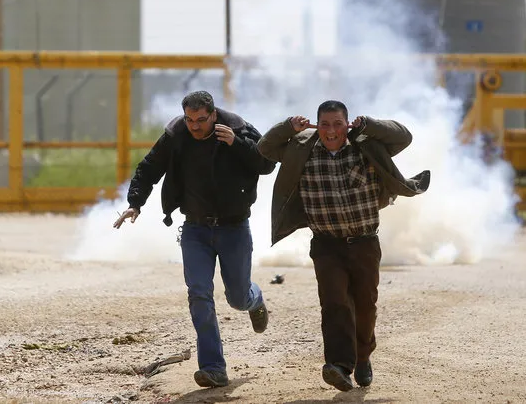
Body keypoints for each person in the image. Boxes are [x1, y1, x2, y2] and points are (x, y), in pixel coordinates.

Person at [257, 100, 430, 391]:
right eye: (324, 124)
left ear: (347, 124)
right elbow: (264, 147)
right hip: (326, 245)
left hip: (364, 242)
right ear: (316, 125)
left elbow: (404, 137)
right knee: (334, 303)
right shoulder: (301, 149)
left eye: (338, 123)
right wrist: (288, 127)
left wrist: (370, 125)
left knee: (365, 306)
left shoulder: (365, 144)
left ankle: (363, 357)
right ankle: (339, 365)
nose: (331, 131)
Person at [113, 90, 276, 388]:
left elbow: (267, 164)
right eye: (190, 120)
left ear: (213, 114)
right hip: (195, 230)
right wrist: (135, 203)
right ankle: (214, 368)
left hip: (234, 228)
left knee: (237, 297)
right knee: (199, 294)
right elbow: (148, 168)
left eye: (201, 120)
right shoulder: (176, 134)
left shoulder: (238, 128)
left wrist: (237, 144)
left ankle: (255, 300)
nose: (195, 127)